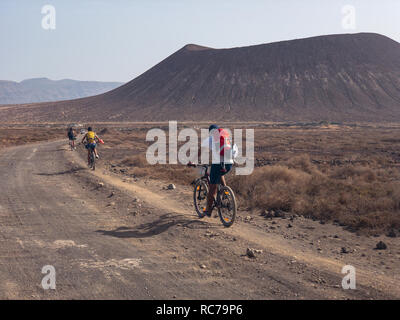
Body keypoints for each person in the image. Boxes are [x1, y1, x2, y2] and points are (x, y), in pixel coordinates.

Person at [189, 124, 237, 217]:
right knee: (220, 173)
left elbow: (200, 151)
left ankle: (208, 210)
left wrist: (192, 161)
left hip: (218, 164)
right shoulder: (226, 138)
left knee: (212, 187)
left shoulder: (210, 139)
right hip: (229, 163)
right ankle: (225, 191)